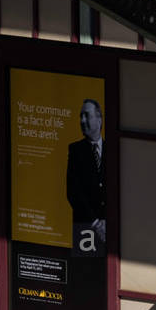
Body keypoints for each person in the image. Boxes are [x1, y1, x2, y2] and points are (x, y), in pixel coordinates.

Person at [66, 98, 105, 252]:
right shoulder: (76, 150)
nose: (82, 120)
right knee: (86, 268)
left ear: (99, 119)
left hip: (110, 228)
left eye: (86, 115)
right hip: (86, 226)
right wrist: (96, 223)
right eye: (80, 116)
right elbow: (72, 192)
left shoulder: (112, 147)